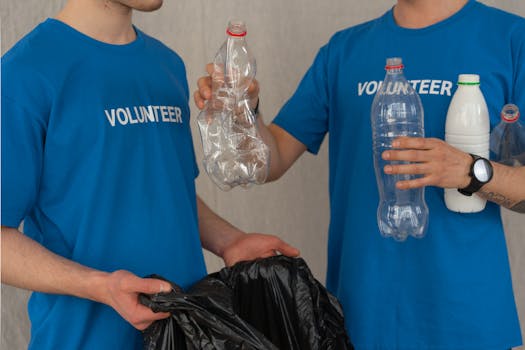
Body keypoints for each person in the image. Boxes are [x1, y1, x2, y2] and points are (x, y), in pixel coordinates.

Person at [195, 0, 525, 348]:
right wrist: (243, 112)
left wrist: (470, 171)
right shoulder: (343, 51)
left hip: (468, 320)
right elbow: (271, 160)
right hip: (360, 317)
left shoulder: (510, 38)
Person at [0, 1, 300, 349]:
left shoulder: (166, 66)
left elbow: (166, 188)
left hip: (187, 335)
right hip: (84, 339)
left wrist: (229, 241)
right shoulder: (23, 73)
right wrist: (100, 285)